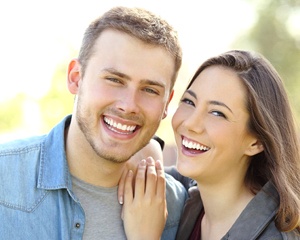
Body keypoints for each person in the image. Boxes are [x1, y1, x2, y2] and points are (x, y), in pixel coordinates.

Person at [0, 6, 187, 240]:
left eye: (149, 89)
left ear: (166, 103)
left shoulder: (178, 210)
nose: (129, 105)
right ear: (75, 78)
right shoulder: (4, 177)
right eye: (114, 79)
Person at [121, 50, 300, 239]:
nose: (190, 123)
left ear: (256, 142)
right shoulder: (192, 198)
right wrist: (150, 148)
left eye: (217, 113)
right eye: (189, 101)